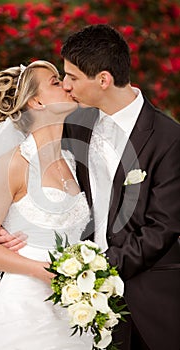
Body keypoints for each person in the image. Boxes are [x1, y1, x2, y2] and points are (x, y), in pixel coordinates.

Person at [0, 60, 93, 349]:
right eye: (55, 81)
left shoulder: (72, 162)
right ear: (36, 101)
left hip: (74, 309)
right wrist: (41, 270)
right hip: (24, 309)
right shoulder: (13, 164)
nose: (66, 84)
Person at [60, 24, 180, 350]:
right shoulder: (75, 126)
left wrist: (100, 269)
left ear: (103, 79)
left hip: (148, 303)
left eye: (72, 77)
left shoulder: (169, 138)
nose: (65, 85)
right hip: (81, 305)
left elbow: (163, 226)